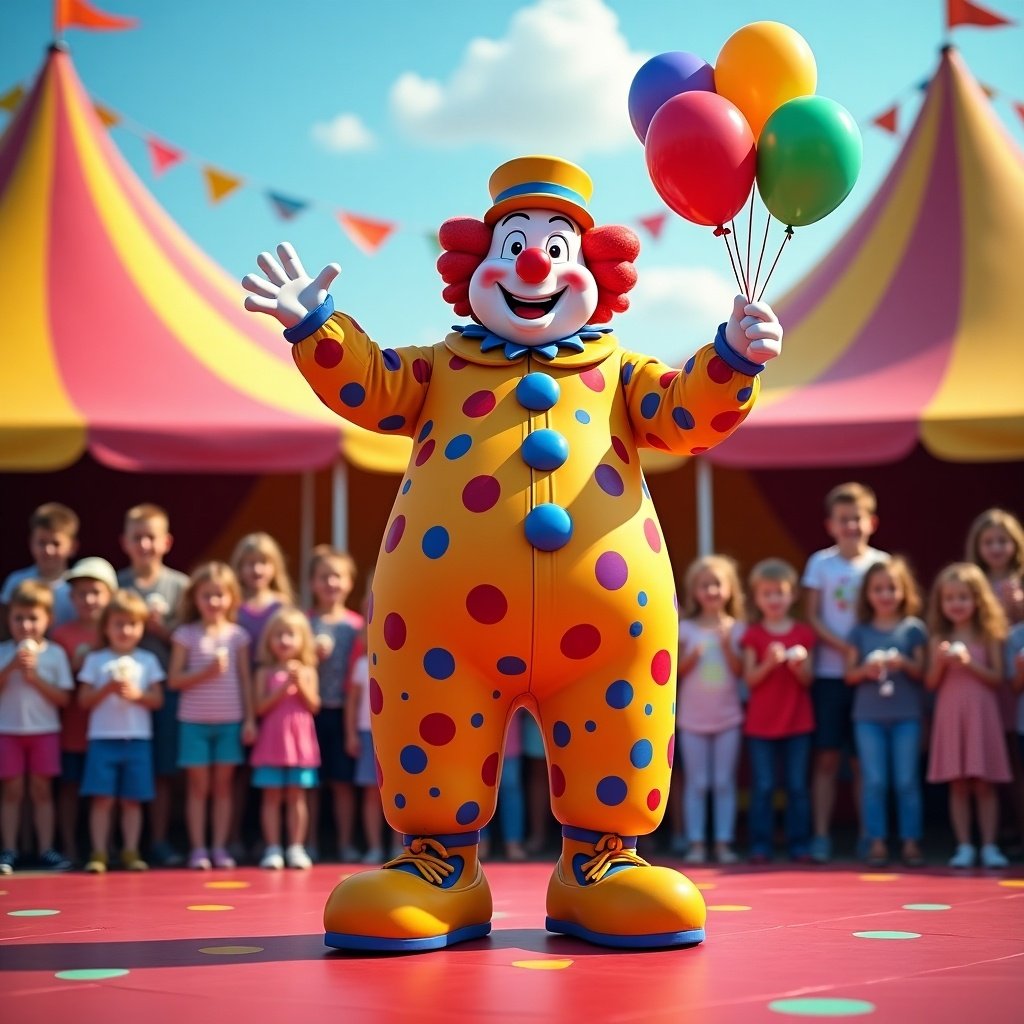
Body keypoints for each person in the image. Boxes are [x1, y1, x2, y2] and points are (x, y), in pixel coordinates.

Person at [243, 155, 783, 950]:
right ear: (476, 269)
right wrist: (314, 326)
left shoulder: (620, 374)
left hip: (608, 638)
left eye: (559, 247)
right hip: (441, 635)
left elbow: (688, 417)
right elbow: (370, 384)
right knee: (432, 739)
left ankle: (601, 864)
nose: (536, 263)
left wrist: (732, 359)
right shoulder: (438, 369)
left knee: (615, 736)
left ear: (595, 270)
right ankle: (440, 867)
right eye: (516, 244)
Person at [802, 482, 887, 863]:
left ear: (871, 522)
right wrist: (845, 649)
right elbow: (813, 616)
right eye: (843, 520)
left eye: (857, 518)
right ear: (830, 525)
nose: (850, 525)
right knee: (827, 758)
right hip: (830, 675)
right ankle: (820, 835)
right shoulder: (821, 563)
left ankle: (871, 836)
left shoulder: (880, 564)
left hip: (869, 678)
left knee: (863, 761)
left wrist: (864, 656)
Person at [167, 562, 255, 870]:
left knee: (222, 788)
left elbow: (245, 680)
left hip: (230, 721)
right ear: (195, 598)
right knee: (198, 787)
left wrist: (249, 719)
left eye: (220, 595)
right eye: (207, 595)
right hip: (193, 722)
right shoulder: (185, 635)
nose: (214, 602)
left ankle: (219, 846)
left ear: (232, 598)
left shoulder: (238, 637)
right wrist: (205, 672)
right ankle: (198, 848)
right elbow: (174, 679)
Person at [117, 503, 190, 867]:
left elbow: (191, 641)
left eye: (151, 537)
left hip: (166, 694)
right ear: (125, 543)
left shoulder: (180, 586)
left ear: (166, 542)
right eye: (137, 537)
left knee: (163, 770)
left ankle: (159, 840)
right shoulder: (117, 585)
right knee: (119, 766)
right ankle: (120, 842)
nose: (144, 544)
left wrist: (160, 628)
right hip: (119, 699)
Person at [844, 557, 927, 868]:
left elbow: (924, 673)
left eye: (892, 588)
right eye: (878, 588)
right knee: (874, 781)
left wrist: (904, 664)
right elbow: (848, 675)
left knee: (906, 781)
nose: (885, 595)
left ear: (904, 592)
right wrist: (866, 669)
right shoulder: (859, 632)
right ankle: (875, 841)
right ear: (867, 594)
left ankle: (910, 842)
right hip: (867, 718)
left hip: (907, 716)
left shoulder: (913, 630)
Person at [926, 563, 1010, 868]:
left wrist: (968, 662)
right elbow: (931, 683)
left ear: (978, 599)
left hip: (982, 713)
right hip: (951, 714)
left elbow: (997, 678)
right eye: (949, 598)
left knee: (984, 782)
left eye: (963, 597)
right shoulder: (938, 638)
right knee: (958, 783)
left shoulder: (989, 635)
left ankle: (989, 845)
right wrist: (940, 662)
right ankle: (963, 845)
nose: (956, 604)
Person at [78, 590, 164, 872]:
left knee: (132, 800)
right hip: (103, 740)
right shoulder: (96, 660)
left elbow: (157, 699)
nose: (125, 630)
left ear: (142, 628)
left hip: (137, 740)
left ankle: (131, 850)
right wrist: (108, 689)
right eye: (118, 624)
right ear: (106, 627)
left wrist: (137, 694)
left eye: (132, 624)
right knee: (102, 798)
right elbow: (83, 700)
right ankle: (99, 852)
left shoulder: (147, 660)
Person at [741, 559, 816, 863]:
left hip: (798, 723)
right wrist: (769, 663)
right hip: (761, 725)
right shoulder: (754, 635)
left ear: (792, 595)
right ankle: (760, 844)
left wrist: (797, 667)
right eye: (767, 593)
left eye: (779, 593)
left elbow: (808, 680)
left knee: (797, 786)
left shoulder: (803, 634)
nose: (773, 599)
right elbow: (750, 679)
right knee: (763, 786)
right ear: (756, 598)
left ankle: (800, 844)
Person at [676, 555, 746, 866]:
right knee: (697, 782)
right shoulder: (686, 628)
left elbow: (740, 670)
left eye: (717, 584)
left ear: (730, 590)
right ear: (694, 592)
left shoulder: (737, 629)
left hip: (728, 717)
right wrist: (693, 655)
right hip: (691, 719)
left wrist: (729, 645)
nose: (712, 591)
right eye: (705, 585)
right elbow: (675, 672)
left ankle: (722, 843)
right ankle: (696, 843)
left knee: (722, 782)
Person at [229, 532, 295, 861]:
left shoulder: (283, 607)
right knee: (239, 771)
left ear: (274, 568)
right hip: (240, 693)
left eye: (263, 563)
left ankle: (285, 840)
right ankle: (236, 836)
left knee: (281, 773)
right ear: (238, 568)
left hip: (280, 700)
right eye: (249, 563)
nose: (256, 570)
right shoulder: (232, 606)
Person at [0, 582, 74, 873]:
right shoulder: (4, 651)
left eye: (33, 618)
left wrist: (34, 678)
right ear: (9, 620)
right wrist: (11, 668)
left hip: (45, 732)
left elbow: (63, 698)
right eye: (19, 618)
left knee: (42, 791)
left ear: (48, 620)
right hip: (7, 732)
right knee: (12, 792)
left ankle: (46, 849)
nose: (26, 625)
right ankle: (9, 849)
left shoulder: (55, 654)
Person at [51, 557, 118, 865]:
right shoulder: (61, 635)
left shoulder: (117, 632)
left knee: (108, 791)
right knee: (70, 786)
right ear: (71, 599)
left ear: (110, 596)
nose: (88, 599)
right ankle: (68, 846)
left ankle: (107, 847)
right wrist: (73, 668)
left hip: (111, 730)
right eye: (80, 593)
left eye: (96, 592)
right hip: (72, 727)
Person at [965, 507, 1024, 851]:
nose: (996, 548)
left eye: (1003, 540)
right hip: (988, 681)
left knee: (1017, 761)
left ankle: (1019, 826)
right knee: (991, 759)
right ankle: (998, 829)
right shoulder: (974, 584)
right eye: (989, 541)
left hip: (1017, 684)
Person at [251, 608, 321, 870]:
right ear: (269, 640)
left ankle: (295, 846)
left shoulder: (308, 671)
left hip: (300, 745)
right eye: (278, 635)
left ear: (303, 639)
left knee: (297, 797)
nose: (284, 640)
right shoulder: (264, 673)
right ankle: (272, 847)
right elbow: (260, 707)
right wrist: (282, 688)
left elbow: (314, 705)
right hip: (272, 742)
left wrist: (300, 684)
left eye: (290, 634)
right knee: (271, 797)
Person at [307, 545, 363, 862]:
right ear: (313, 583)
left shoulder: (357, 625)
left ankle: (345, 843)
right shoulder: (304, 622)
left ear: (349, 582)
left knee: (343, 782)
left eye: (337, 576)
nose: (331, 583)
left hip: (346, 714)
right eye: (323, 577)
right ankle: (310, 842)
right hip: (310, 712)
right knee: (312, 782)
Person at [345, 613, 389, 865]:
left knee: (399, 796)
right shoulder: (362, 665)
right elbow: (353, 703)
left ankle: (398, 845)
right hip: (367, 734)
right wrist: (351, 734)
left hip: (395, 738)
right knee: (371, 794)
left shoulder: (402, 661)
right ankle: (374, 846)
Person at [0, 502, 79, 632]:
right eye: (42, 542)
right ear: (31, 543)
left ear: (72, 547)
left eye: (56, 543)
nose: (48, 550)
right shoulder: (15, 581)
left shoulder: (77, 587)